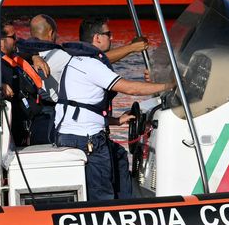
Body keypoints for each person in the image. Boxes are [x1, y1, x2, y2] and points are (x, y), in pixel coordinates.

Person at [51, 16, 173, 201]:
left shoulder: (77, 60)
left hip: (75, 135)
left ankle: (127, 205)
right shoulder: (91, 64)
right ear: (97, 38)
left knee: (119, 156)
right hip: (87, 141)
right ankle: (110, 215)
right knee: (101, 192)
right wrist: (169, 86)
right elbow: (131, 88)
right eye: (109, 34)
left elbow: (83, 105)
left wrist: (116, 121)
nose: (112, 38)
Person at [0, 18, 49, 148]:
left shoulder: (12, 58)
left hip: (29, 127)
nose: (16, 39)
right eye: (13, 37)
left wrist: (34, 56)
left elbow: (23, 54)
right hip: (13, 137)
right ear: (0, 41)